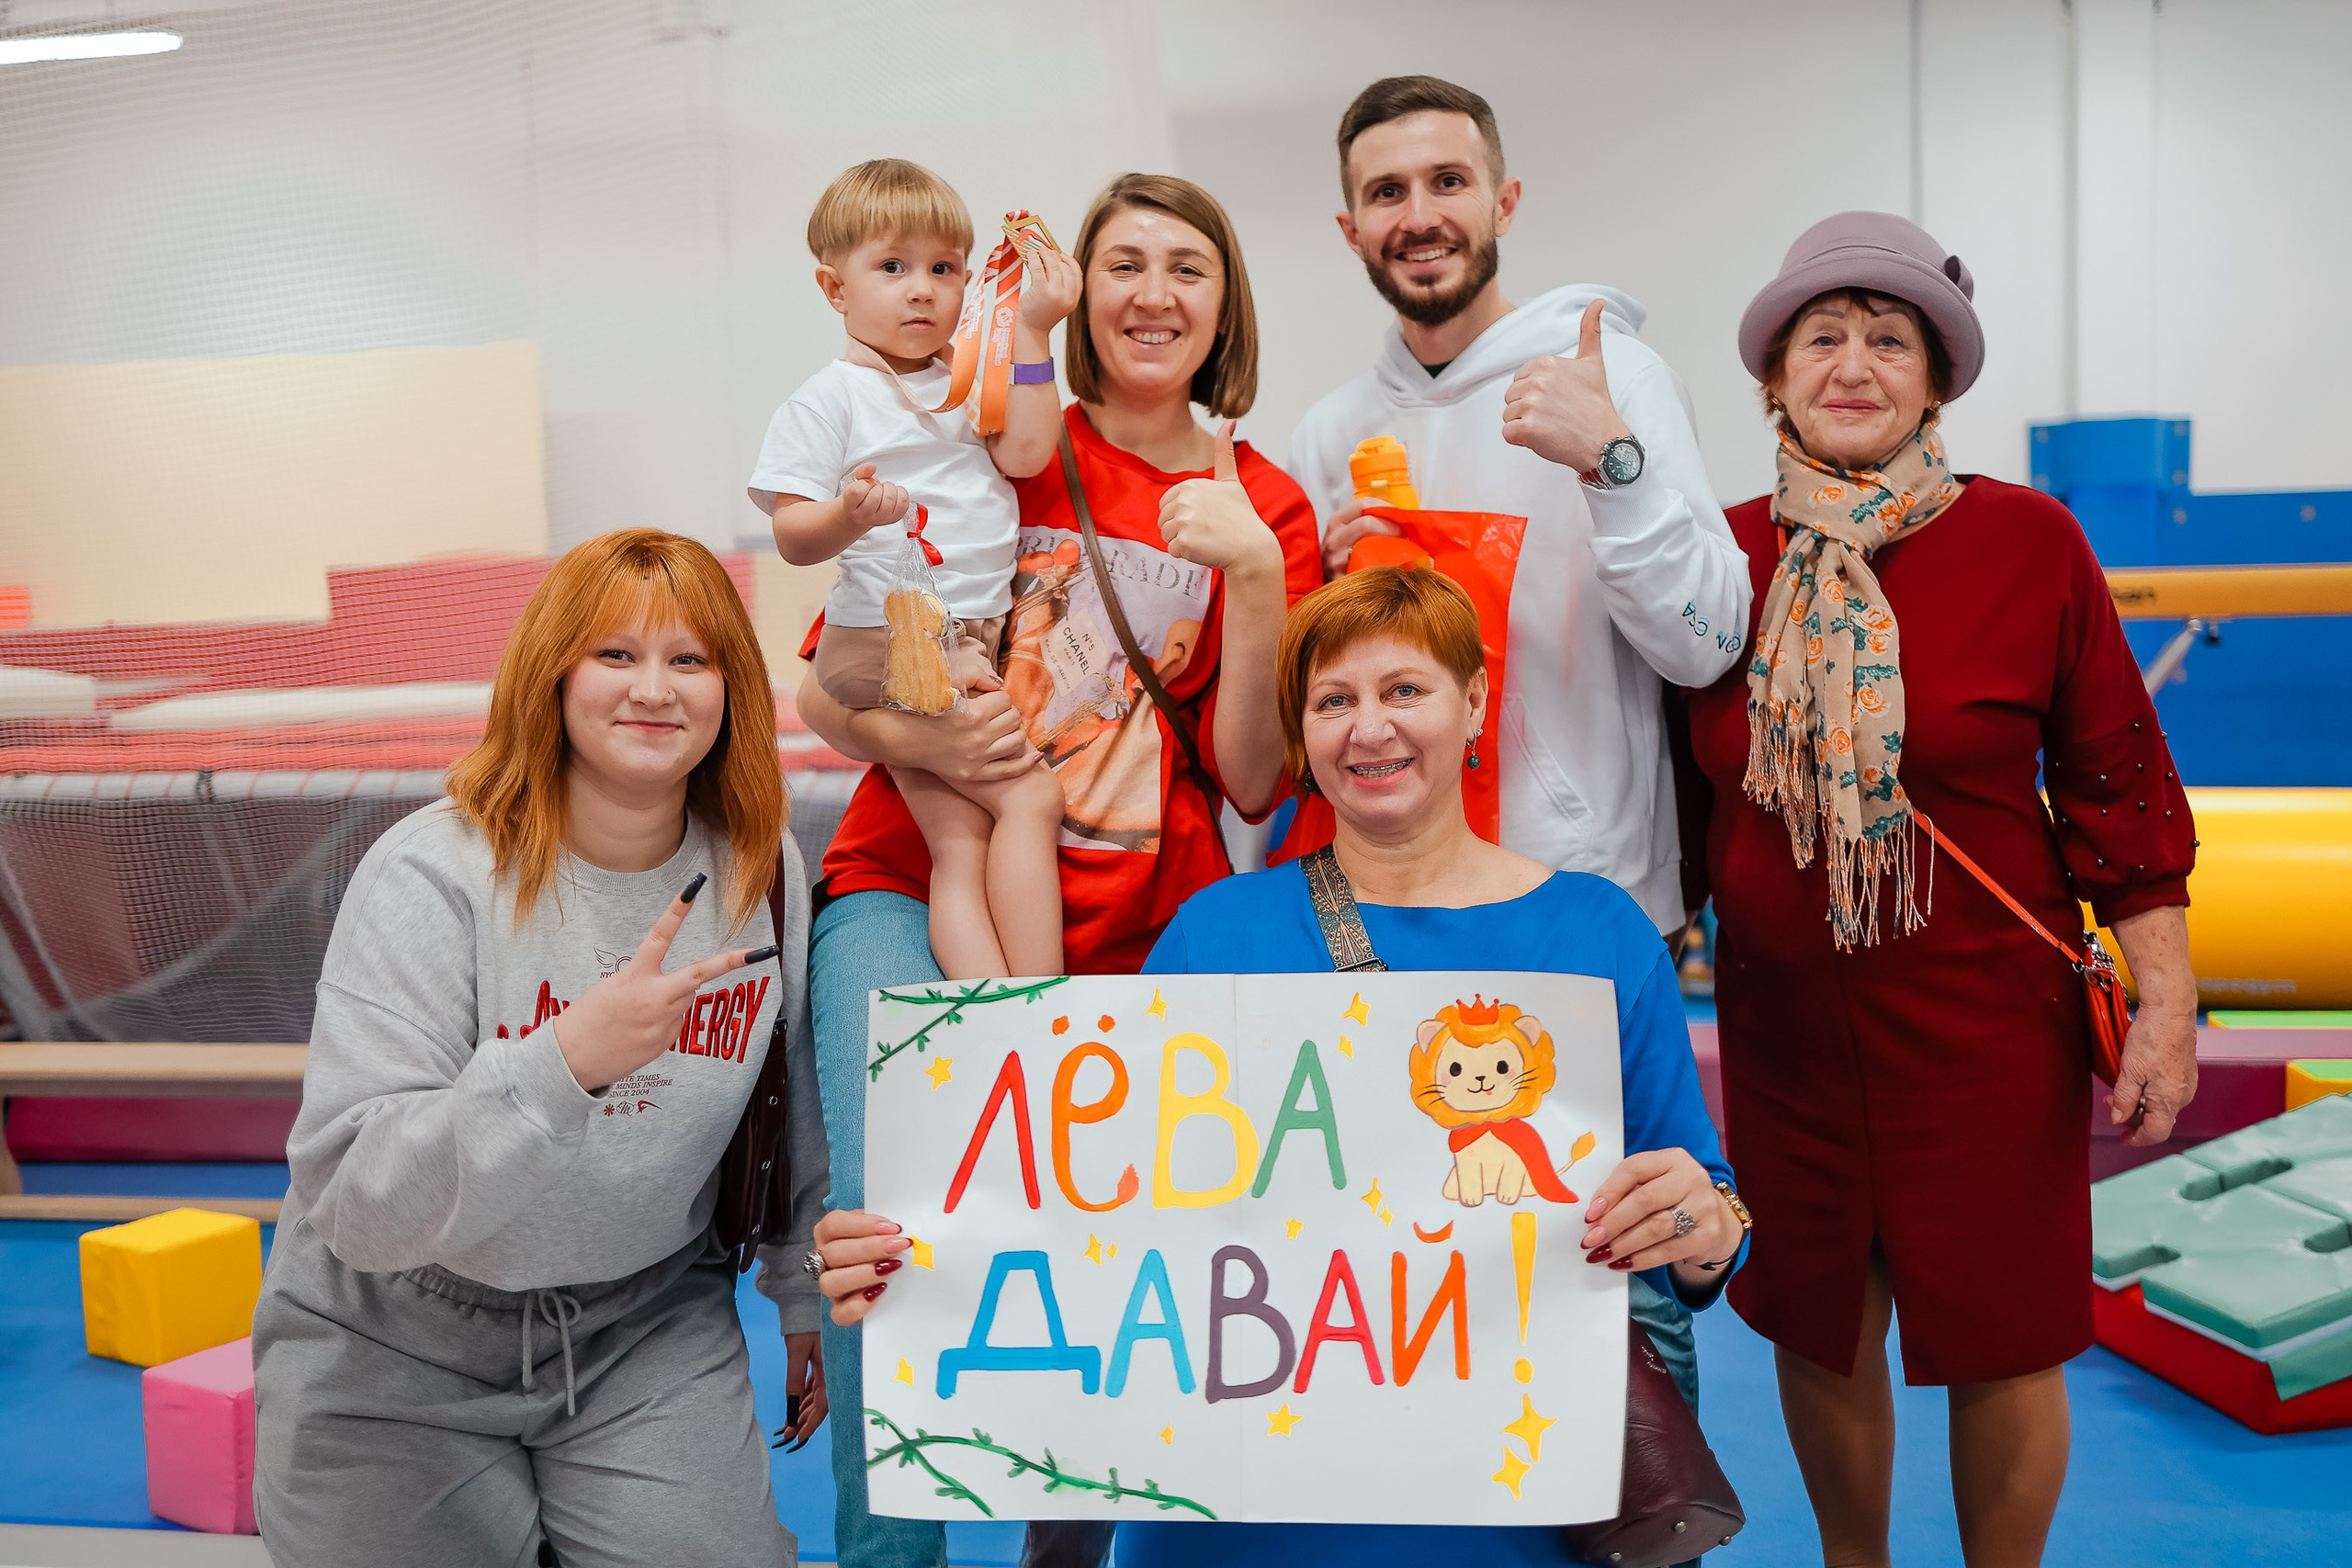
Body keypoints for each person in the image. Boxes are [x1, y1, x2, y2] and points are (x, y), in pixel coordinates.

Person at [809, 567, 1748, 1566]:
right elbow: (1089, 1215)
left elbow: (1707, 1228)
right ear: (1303, 737)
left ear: (1472, 703)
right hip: (1238, 1514)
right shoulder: (1218, 931)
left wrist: (1695, 1222)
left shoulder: (1596, 935)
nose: (1369, 728)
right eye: (1333, 702)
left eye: (1404, 691)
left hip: (1501, 1511)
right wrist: (918, 1256)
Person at [791, 172, 1324, 1568]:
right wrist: (929, 731)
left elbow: (1262, 776)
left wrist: (1259, 581)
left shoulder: (1264, 500)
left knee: (1105, 1255)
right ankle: (888, 1553)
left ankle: (1061, 1545)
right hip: (914, 871)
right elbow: (828, 692)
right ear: (1074, 291)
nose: (1154, 292)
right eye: (1125, 262)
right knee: (888, 1221)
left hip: (1140, 918)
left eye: (1188, 268)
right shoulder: (995, 435)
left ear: (1228, 303)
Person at [1682, 211, 2199, 1567]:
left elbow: (2119, 785)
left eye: (1888, 338)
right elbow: (1671, 794)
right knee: (1817, 1316)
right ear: (1777, 375)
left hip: (1984, 1018)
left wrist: (2167, 999)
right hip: (1785, 1025)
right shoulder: (1712, 558)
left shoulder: (2031, 542)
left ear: (1936, 376)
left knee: (2005, 1331)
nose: (1853, 363)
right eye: (1823, 337)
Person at [252, 530, 830, 1565]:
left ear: (730, 690)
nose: (653, 689)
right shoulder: (433, 872)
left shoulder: (760, 867)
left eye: (688, 660)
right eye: (615, 654)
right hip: (395, 1341)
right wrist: (563, 1062)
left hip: (645, 1324)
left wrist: (798, 1298)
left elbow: (790, 1101)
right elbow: (353, 1195)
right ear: (551, 675)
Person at [1288, 75, 1749, 935]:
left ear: (1504, 202)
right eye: (1387, 192)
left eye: (1448, 181)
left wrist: (1615, 468)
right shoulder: (1328, 432)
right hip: (1382, 906)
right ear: (1352, 231)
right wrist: (1320, 596)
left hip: (1583, 894)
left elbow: (1710, 643)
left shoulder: (1617, 379)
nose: (1420, 216)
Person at [752, 158, 1082, 980]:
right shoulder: (828, 400)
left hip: (952, 636)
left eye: (943, 270)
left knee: (959, 841)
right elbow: (792, 533)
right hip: (902, 641)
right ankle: (1037, 1006)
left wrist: (1035, 331)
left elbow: (1031, 449)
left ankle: (996, 1009)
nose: (922, 290)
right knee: (1031, 800)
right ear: (835, 289)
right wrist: (845, 514)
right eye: (892, 268)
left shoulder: (963, 382)